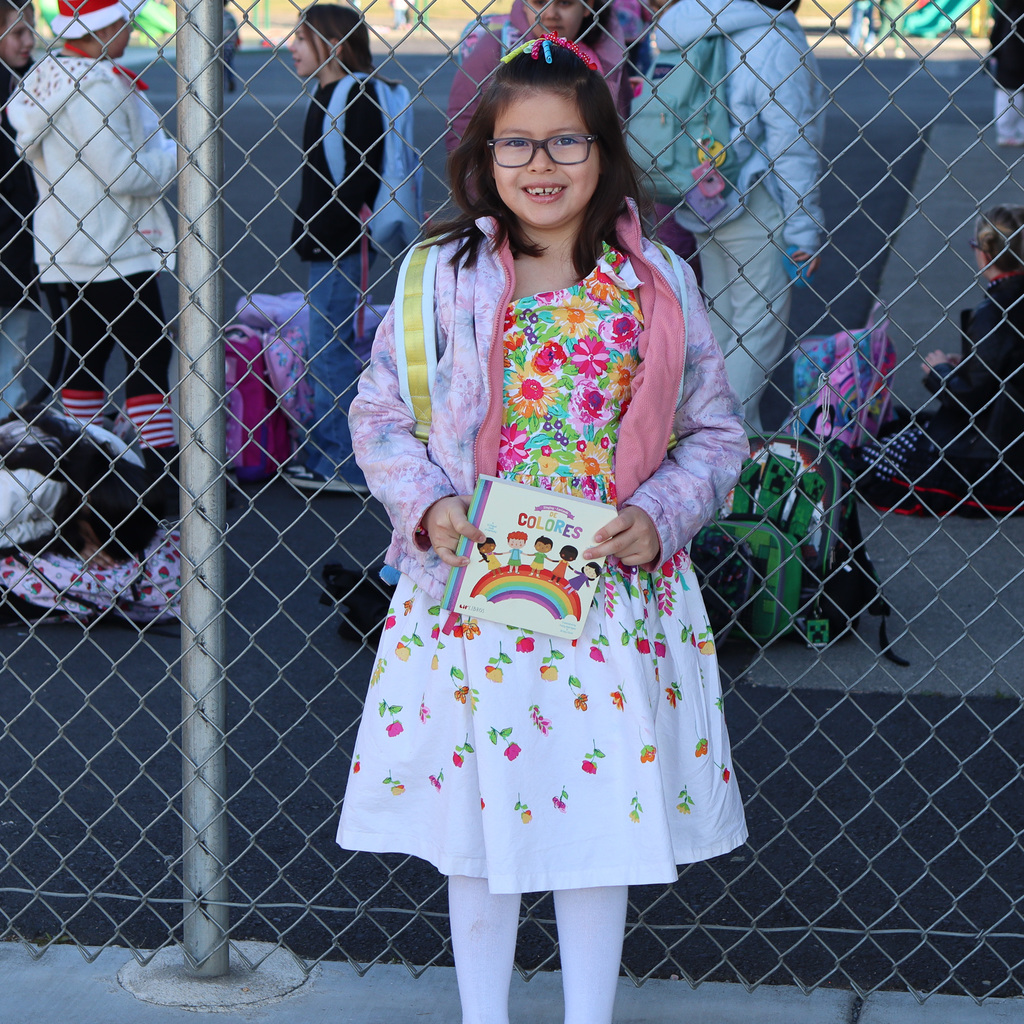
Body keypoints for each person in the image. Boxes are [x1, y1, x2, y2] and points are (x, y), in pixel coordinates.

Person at [337, 41, 748, 1024]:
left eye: (566, 139)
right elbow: (379, 415)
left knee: (594, 819)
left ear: (603, 150)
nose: (542, 164)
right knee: (477, 819)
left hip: (608, 601)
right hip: (472, 599)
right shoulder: (441, 276)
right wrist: (426, 504)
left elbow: (714, 431)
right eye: (517, 142)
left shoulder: (656, 287)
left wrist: (662, 514)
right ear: (485, 153)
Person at [8, 0, 179, 481]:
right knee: (148, 353)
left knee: (88, 353)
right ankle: (159, 469)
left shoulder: (49, 79)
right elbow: (125, 171)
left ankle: (83, 471)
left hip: (69, 247)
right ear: (103, 26)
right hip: (116, 247)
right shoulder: (98, 87)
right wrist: (182, 153)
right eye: (125, 21)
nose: (131, 31)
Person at [654, 0, 825, 436]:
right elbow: (793, 146)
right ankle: (727, 443)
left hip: (701, 190)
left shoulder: (690, 25)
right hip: (754, 197)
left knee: (720, 326)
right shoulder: (776, 41)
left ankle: (698, 436)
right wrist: (804, 228)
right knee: (757, 330)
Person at [854, 205, 1024, 517]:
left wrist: (939, 371)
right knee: (900, 424)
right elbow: (1006, 367)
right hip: (1010, 438)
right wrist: (970, 363)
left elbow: (970, 397)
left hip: (993, 462)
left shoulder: (995, 311)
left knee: (868, 462)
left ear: (985, 254)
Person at [285, 3, 383, 495]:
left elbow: (361, 177)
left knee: (330, 352)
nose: (292, 47)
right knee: (327, 348)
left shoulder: (355, 95)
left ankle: (342, 463)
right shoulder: (329, 93)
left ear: (335, 45)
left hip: (341, 246)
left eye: (301, 38)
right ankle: (333, 452)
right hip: (328, 243)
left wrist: (325, 228)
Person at [0, 407, 180, 623]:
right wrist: (63, 538)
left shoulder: (126, 463)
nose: (99, 552)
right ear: (86, 508)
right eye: (100, 540)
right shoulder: (34, 485)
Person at [445, 0, 631, 154]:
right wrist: (484, 193)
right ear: (524, 4)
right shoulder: (495, 48)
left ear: (587, 6)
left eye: (565, 3)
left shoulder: (608, 56)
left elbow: (620, 127)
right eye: (539, 2)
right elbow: (462, 127)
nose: (550, 13)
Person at [0, 0, 38, 418]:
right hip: (11, 231)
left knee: (14, 347)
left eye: (30, 30)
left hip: (19, 237)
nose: (28, 41)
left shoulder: (32, 82)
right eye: (17, 33)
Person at [990, 0, 1024, 147]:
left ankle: (1010, 133)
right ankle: (1008, 133)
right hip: (1011, 64)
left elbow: (995, 35)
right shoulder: (1011, 11)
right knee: (1009, 99)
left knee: (1011, 99)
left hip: (1009, 63)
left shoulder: (1008, 10)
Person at [222, 0, 239, 93]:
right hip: (230, 44)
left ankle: (222, 84)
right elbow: (236, 31)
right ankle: (230, 79)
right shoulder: (230, 16)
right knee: (229, 64)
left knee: (221, 65)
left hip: (222, 44)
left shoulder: (218, 17)